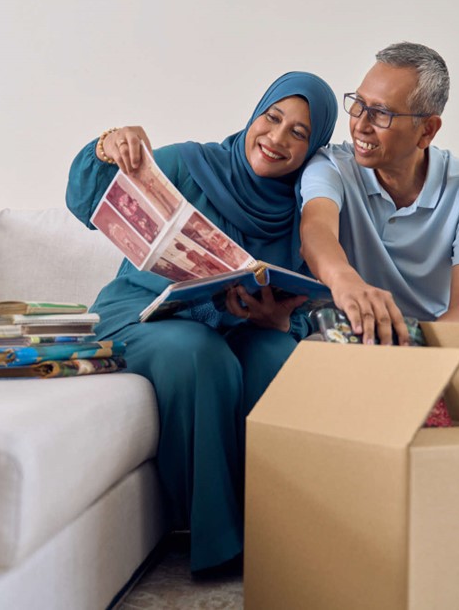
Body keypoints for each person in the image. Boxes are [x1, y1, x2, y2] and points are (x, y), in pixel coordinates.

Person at [65, 72, 337, 574]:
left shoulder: (304, 214)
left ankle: (280, 535)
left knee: (279, 357)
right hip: (141, 316)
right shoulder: (189, 165)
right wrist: (107, 145)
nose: (277, 137)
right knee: (198, 353)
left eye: (298, 133)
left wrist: (280, 323)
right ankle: (218, 544)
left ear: (312, 147)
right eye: (272, 118)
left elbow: (304, 306)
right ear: (255, 114)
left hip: (240, 328)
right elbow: (85, 202)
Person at [300, 42, 459, 345]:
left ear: (427, 130)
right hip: (346, 338)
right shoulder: (331, 166)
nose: (360, 125)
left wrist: (414, 355)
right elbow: (316, 229)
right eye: (358, 104)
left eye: (381, 113)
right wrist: (345, 280)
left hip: (428, 343)